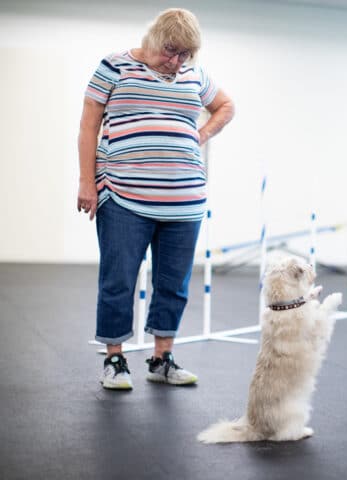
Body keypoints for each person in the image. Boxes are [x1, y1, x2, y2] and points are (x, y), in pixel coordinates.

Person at [77, 8, 234, 390]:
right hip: (123, 195)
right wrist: (87, 182)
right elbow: (88, 126)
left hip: (185, 200)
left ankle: (162, 359)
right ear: (153, 38)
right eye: (170, 50)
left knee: (174, 284)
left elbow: (226, 106)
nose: (176, 61)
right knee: (118, 281)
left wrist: (200, 134)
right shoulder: (114, 67)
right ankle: (114, 359)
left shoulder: (194, 75)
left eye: (185, 54)